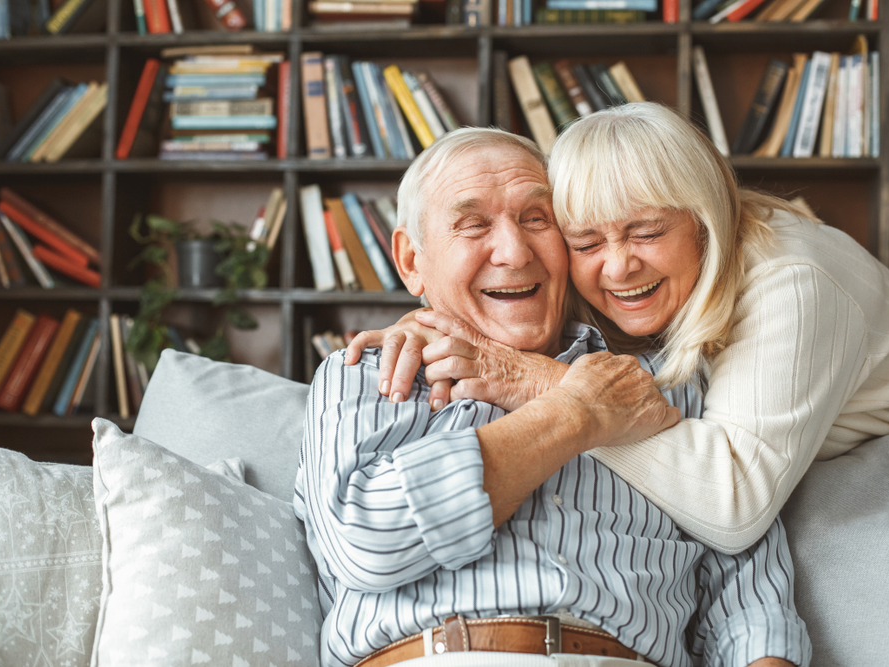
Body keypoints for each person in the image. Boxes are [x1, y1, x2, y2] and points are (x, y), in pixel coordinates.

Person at [348, 103, 889, 555]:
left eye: (647, 231)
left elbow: (734, 507)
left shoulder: (795, 281)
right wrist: (431, 319)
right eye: (586, 240)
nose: (619, 266)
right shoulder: (623, 282)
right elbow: (511, 304)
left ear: (704, 219)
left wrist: (546, 386)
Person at [294, 127, 810, 667]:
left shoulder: (665, 383)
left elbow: (751, 604)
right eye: (473, 225)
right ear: (410, 261)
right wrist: (577, 412)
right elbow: (370, 541)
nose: (515, 252)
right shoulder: (367, 373)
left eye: (537, 220)